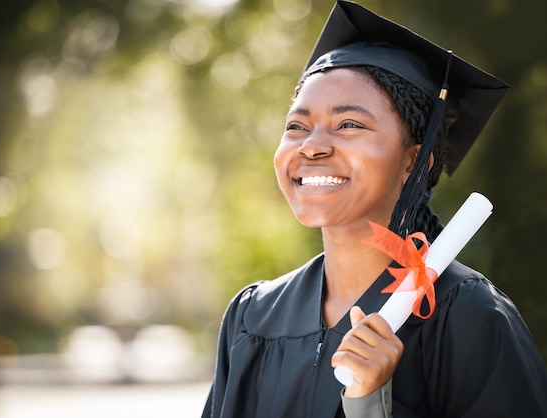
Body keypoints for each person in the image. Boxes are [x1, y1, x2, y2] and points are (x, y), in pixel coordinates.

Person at [202, 1, 547, 417]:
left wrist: (370, 404)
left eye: (349, 124)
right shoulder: (253, 315)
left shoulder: (470, 316)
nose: (312, 145)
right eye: (297, 125)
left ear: (415, 161)